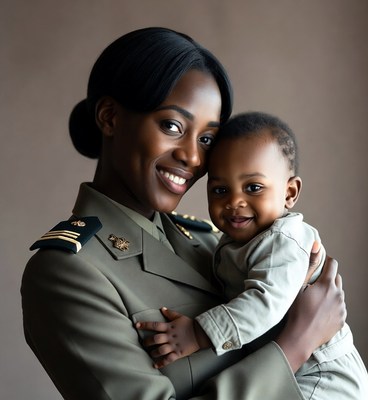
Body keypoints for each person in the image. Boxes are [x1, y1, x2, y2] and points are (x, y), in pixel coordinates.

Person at [21, 27, 347, 400]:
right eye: (172, 126)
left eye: (207, 139)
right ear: (110, 117)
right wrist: (296, 344)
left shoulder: (213, 240)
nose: (193, 157)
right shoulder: (67, 273)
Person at [137, 112, 368, 399]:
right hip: (287, 369)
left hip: (323, 376)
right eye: (220, 189)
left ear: (290, 192)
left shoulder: (283, 240)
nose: (234, 201)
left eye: (253, 188)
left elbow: (264, 302)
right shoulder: (233, 241)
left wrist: (198, 333)